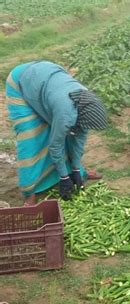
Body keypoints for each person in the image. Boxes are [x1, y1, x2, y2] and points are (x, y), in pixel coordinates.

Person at [5, 61, 107, 205]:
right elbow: (55, 145)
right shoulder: (66, 113)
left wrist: (77, 168)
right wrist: (64, 178)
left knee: (68, 133)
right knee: (31, 138)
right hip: (22, 83)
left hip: (46, 79)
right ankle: (30, 191)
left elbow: (79, 139)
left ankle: (75, 172)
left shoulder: (85, 103)